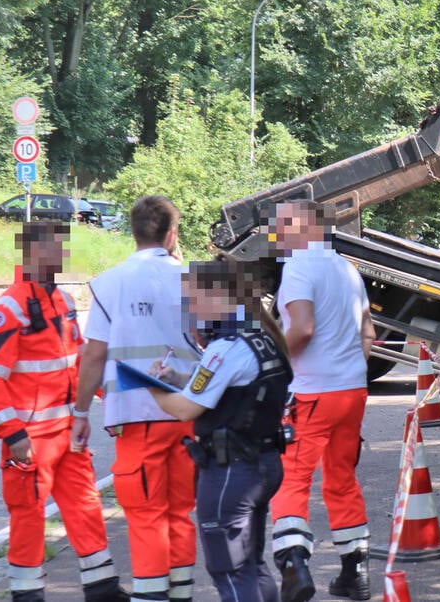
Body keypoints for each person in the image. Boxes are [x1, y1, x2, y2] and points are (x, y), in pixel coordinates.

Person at [0, 222, 128, 602]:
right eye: (55, 249)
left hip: (69, 432)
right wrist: (13, 434)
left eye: (63, 248)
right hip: (31, 440)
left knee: (85, 506)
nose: (62, 256)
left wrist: (111, 403)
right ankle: (27, 594)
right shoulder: (8, 309)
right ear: (32, 253)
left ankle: (103, 589)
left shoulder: (62, 301)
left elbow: (81, 362)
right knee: (29, 516)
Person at [72, 196, 199, 602]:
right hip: (186, 415)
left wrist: (79, 411)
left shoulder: (110, 283)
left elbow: (94, 354)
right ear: (172, 233)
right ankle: (181, 594)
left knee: (145, 515)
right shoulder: (194, 280)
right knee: (180, 513)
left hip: (134, 417)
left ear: (133, 231)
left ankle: (149, 596)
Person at [146, 259, 292, 602]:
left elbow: (185, 408)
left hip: (231, 472)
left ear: (215, 297)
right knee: (253, 566)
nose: (189, 309)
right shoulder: (261, 337)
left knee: (230, 573)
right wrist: (176, 379)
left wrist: (152, 388)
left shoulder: (225, 348)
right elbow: (219, 385)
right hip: (263, 463)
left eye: (191, 299)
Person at [266, 200, 375, 602]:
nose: (276, 236)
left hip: (312, 392)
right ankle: (355, 572)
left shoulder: (298, 266)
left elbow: (303, 328)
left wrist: (271, 357)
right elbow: (368, 332)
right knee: (342, 477)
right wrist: (349, 368)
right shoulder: (348, 270)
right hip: (352, 391)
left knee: (292, 476)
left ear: (304, 227)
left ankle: (294, 568)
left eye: (281, 227)